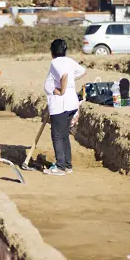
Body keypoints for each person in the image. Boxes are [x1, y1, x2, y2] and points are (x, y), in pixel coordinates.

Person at [42, 39, 86, 176]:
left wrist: (61, 90)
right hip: (71, 103)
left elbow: (65, 76)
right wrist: (70, 83)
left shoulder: (56, 62)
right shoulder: (69, 61)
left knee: (57, 136)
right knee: (64, 135)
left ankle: (60, 167)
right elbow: (82, 71)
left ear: (52, 51)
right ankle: (67, 165)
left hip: (61, 105)